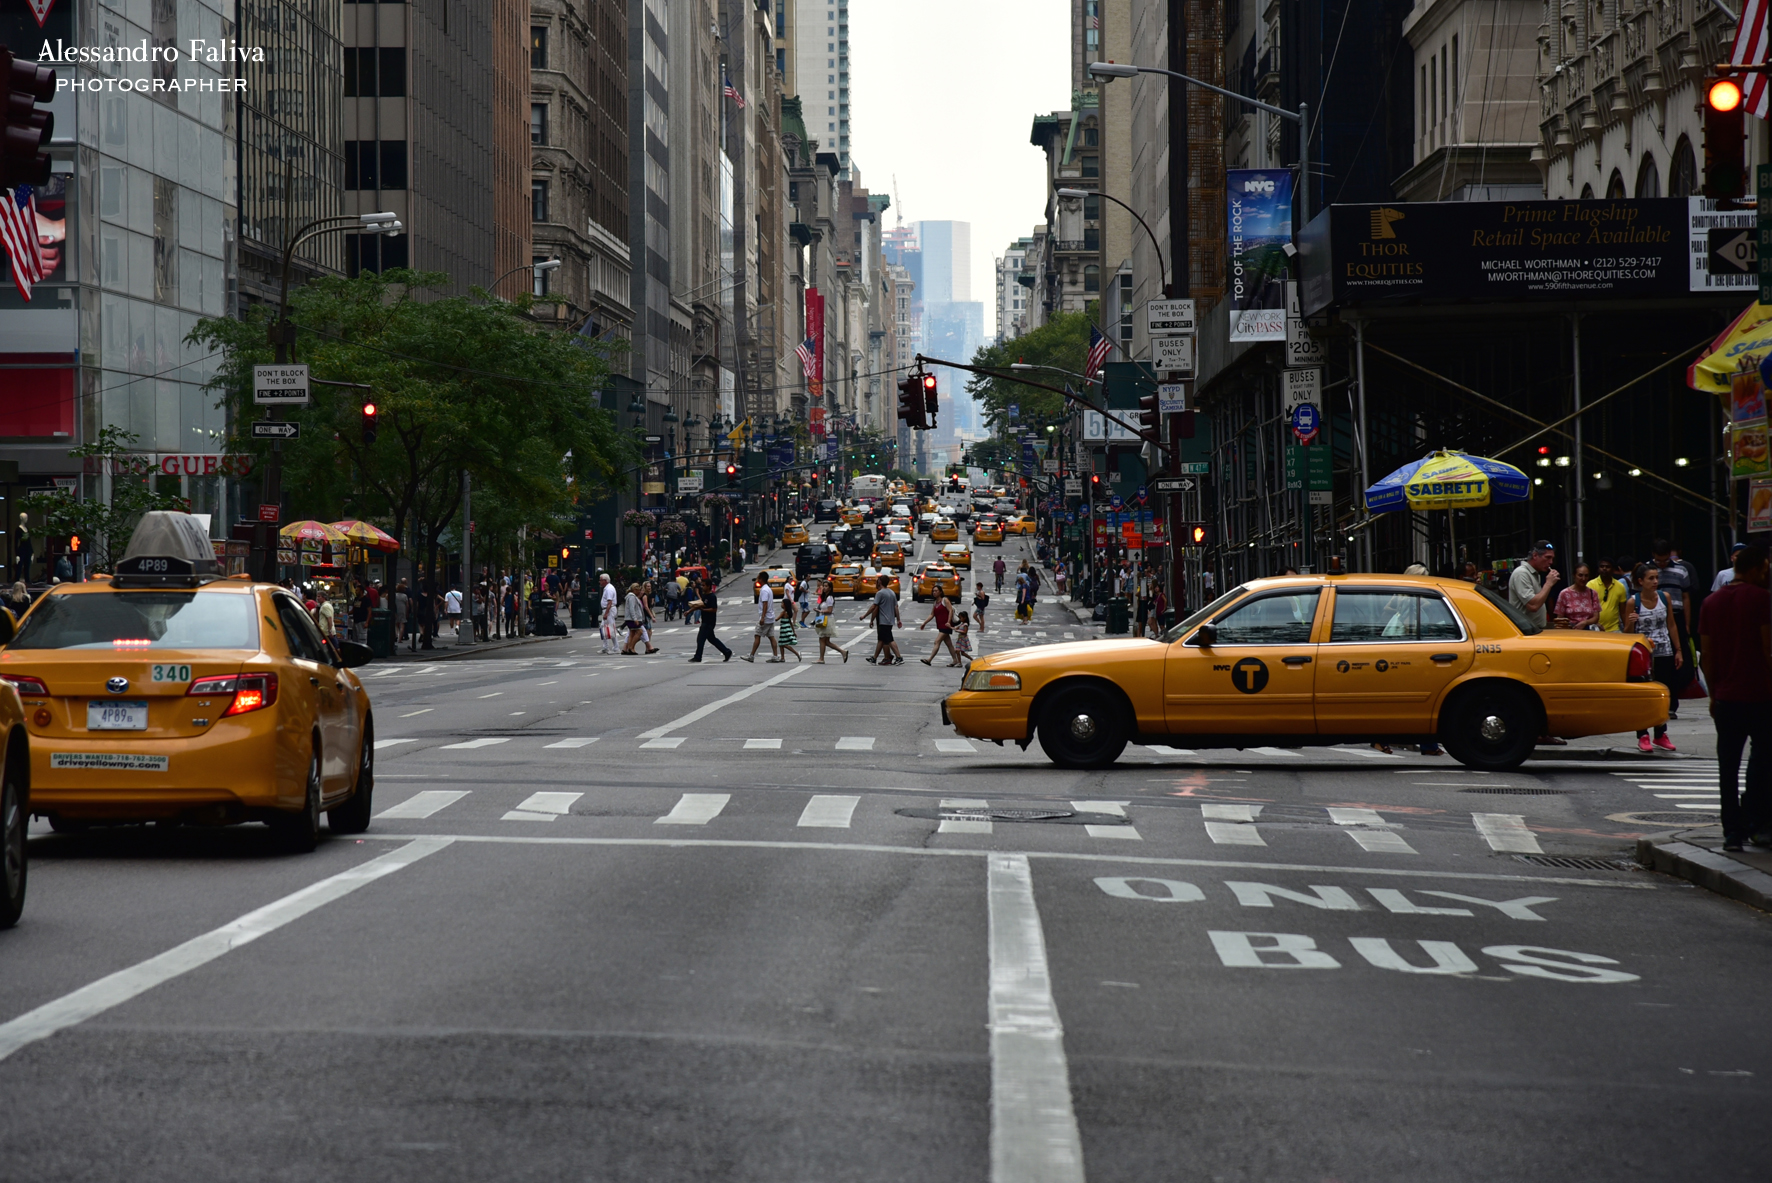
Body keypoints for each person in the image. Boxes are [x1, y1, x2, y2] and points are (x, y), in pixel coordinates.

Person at [1698, 544, 1772, 851]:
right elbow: (1767, 649)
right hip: (1760, 695)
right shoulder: (1762, 599)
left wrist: (1714, 694)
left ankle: (1731, 832)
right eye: (1765, 570)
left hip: (1726, 698)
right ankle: (1755, 820)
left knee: (1727, 767)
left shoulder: (1710, 602)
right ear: (1754, 569)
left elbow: (1706, 655)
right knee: (1762, 760)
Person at [1627, 563, 1683, 752]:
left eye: (1656, 578)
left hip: (1664, 651)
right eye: (1651, 578)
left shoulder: (1664, 598)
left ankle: (1660, 734)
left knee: (1662, 695)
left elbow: (1671, 625)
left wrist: (1678, 650)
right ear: (1641, 581)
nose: (1655, 581)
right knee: (1643, 696)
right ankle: (1643, 734)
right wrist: (1630, 623)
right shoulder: (1633, 602)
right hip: (1644, 656)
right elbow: (1628, 634)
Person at [1507, 541, 1559, 629]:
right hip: (1526, 630)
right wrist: (1548, 584)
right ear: (1535, 555)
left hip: (1535, 629)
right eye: (1547, 557)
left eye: (1552, 558)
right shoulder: (1521, 573)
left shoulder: (1535, 574)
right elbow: (1533, 606)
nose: (1551, 562)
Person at [687, 576, 732, 662]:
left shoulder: (712, 597)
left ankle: (698, 656)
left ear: (708, 586)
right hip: (705, 620)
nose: (702, 587)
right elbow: (699, 605)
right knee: (712, 639)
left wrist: (704, 610)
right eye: (702, 585)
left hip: (709, 622)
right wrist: (689, 611)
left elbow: (714, 609)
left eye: (704, 585)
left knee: (701, 639)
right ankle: (726, 652)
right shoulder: (704, 596)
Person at [862, 573, 903, 665]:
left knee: (889, 639)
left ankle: (899, 657)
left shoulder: (880, 593)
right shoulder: (891, 592)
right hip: (890, 620)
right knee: (881, 640)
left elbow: (874, 607)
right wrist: (898, 619)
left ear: (880, 582)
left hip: (883, 620)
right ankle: (874, 658)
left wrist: (865, 616)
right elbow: (896, 607)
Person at [742, 577, 781, 662]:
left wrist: (763, 617)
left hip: (766, 618)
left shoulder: (764, 590)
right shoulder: (768, 589)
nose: (756, 580)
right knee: (771, 637)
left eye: (758, 578)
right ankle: (775, 656)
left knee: (757, 635)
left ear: (761, 579)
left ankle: (751, 656)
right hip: (770, 617)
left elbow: (765, 604)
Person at [918, 590, 961, 666]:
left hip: (946, 625)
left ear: (940, 592)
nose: (934, 592)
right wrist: (924, 623)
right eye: (933, 591)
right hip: (941, 625)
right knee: (949, 644)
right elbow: (932, 614)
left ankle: (929, 659)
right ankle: (955, 660)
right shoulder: (935, 603)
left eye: (936, 591)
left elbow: (950, 610)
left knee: (937, 641)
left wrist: (948, 622)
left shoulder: (945, 600)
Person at [813, 580, 849, 664]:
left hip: (827, 619)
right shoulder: (825, 597)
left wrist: (820, 610)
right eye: (824, 586)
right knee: (826, 641)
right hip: (823, 618)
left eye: (826, 586)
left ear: (830, 588)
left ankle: (821, 658)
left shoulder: (829, 598)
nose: (824, 588)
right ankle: (842, 652)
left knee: (822, 639)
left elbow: (829, 610)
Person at [1554, 563, 1599, 629]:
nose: (1583, 578)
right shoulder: (1565, 593)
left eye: (1586, 576)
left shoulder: (1593, 593)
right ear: (1574, 575)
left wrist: (1585, 622)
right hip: (1571, 630)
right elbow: (1560, 619)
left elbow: (1596, 617)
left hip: (1588, 630)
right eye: (1580, 575)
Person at [1588, 558, 1628, 632]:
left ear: (1613, 569)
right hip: (1595, 628)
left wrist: (1626, 629)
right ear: (1598, 569)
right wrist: (1594, 623)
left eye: (1607, 567)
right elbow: (1586, 608)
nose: (1604, 569)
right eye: (1602, 566)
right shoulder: (1591, 585)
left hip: (1614, 628)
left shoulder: (1620, 586)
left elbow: (1623, 611)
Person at [620, 582, 648, 655]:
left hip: (630, 618)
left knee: (632, 633)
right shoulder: (632, 597)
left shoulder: (631, 596)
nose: (639, 592)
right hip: (632, 619)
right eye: (638, 590)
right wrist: (635, 618)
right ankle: (631, 647)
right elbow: (632, 609)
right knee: (640, 632)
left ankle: (629, 648)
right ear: (635, 590)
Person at [776, 594, 802, 662]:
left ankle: (797, 653)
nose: (781, 604)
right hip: (787, 629)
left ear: (785, 605)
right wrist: (793, 632)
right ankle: (782, 657)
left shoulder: (783, 613)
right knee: (781, 644)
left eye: (782, 603)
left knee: (784, 644)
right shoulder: (788, 613)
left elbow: (776, 619)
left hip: (784, 630)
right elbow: (790, 623)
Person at [598, 573, 618, 654]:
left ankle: (616, 648)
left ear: (605, 581)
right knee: (603, 627)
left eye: (601, 580)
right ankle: (605, 647)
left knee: (611, 628)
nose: (599, 582)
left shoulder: (609, 589)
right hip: (608, 610)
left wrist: (606, 613)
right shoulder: (607, 588)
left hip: (609, 610)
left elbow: (610, 602)